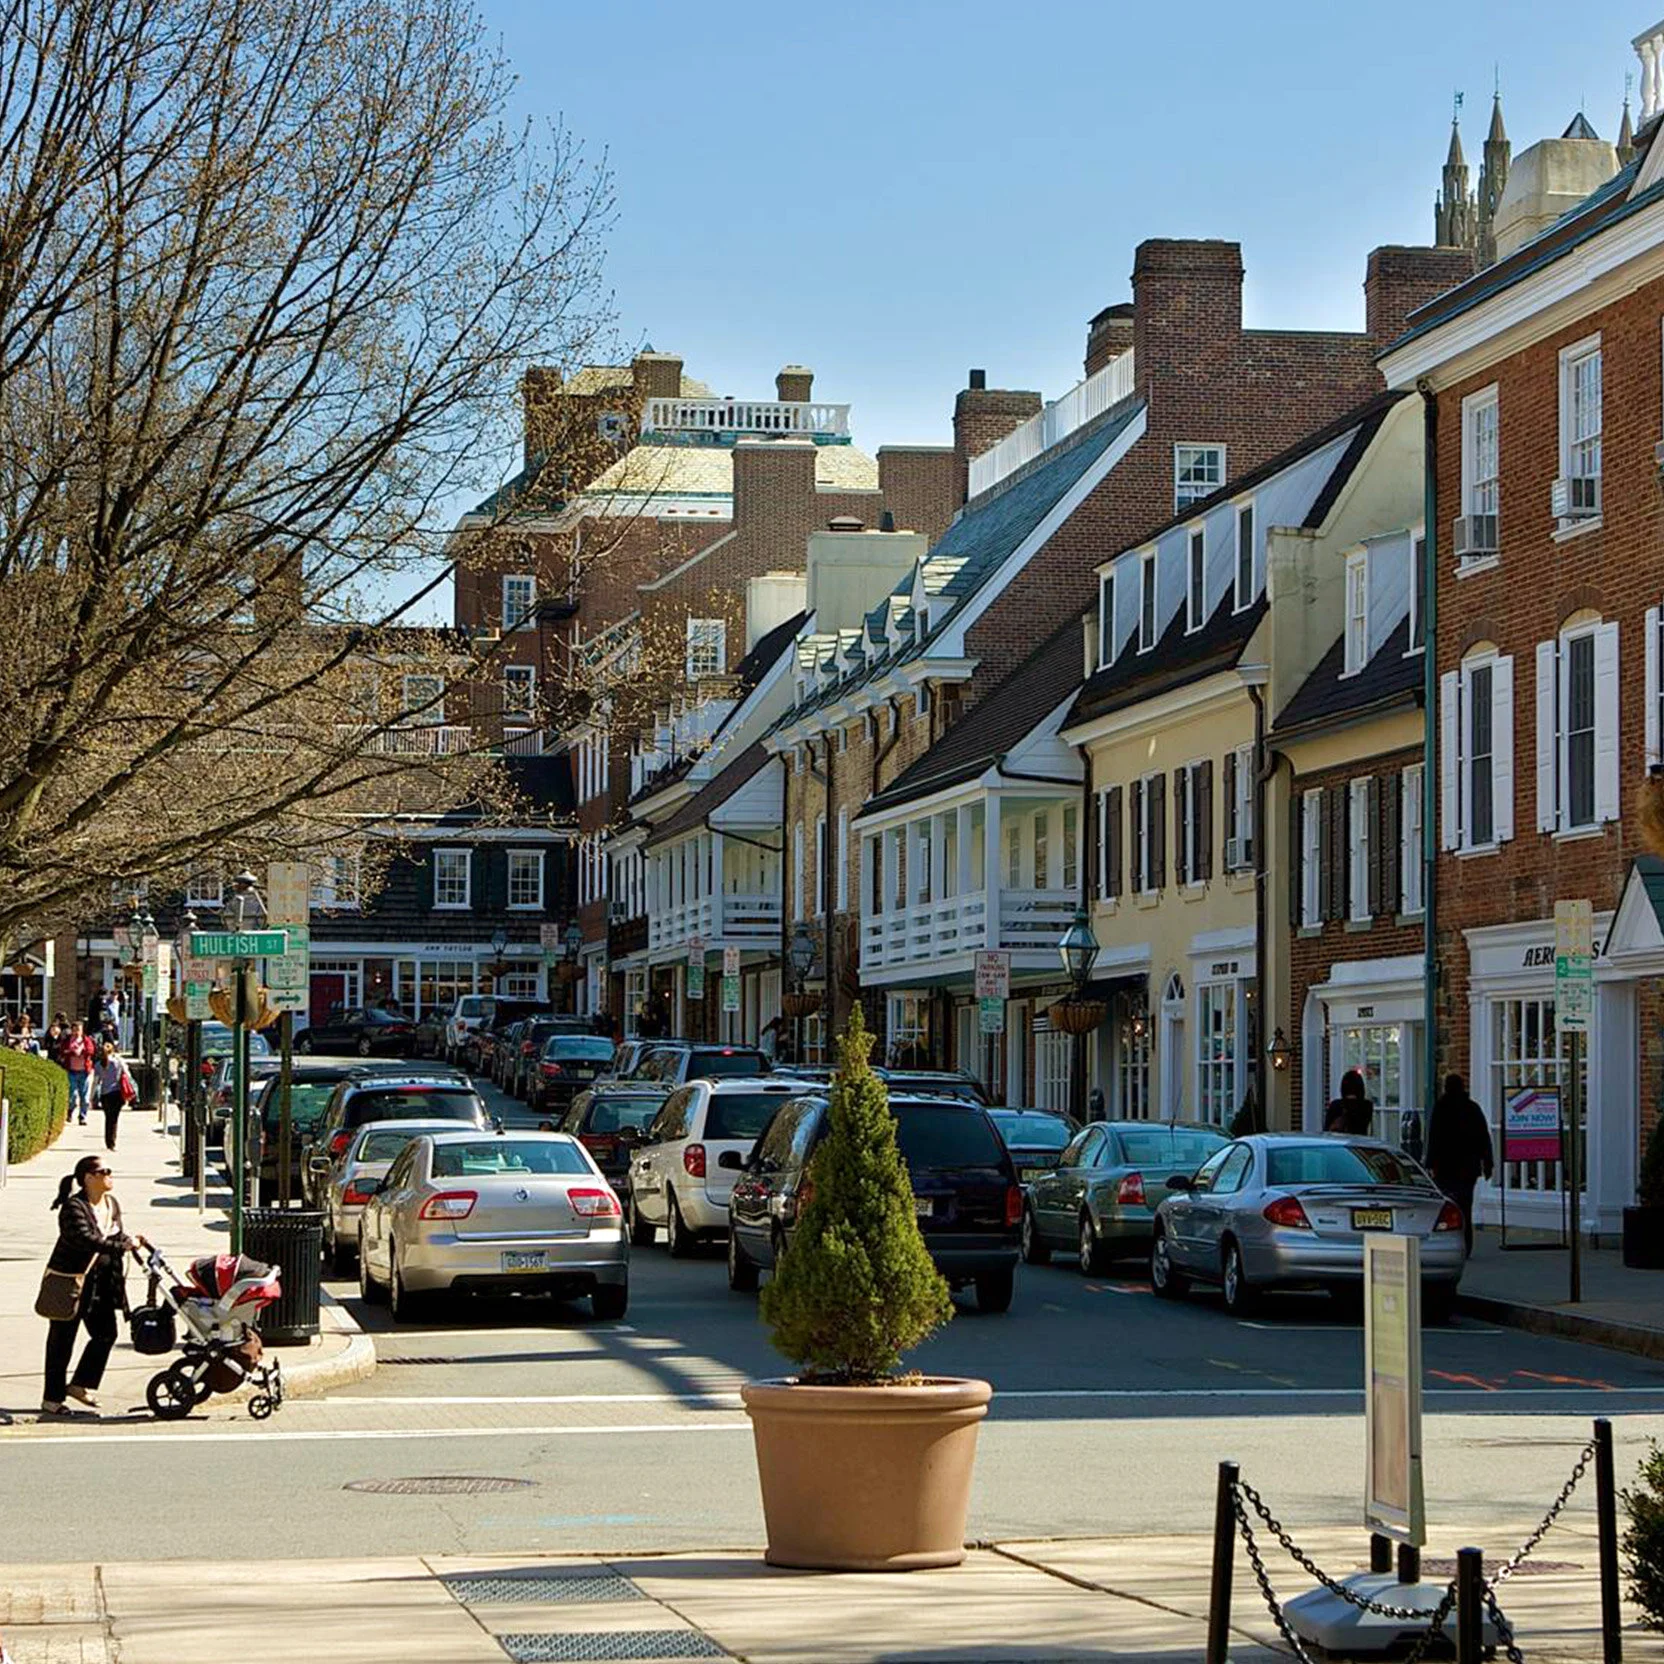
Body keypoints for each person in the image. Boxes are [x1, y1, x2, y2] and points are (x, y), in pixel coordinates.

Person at [41, 1154, 147, 1416]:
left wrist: (130, 1239)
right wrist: (120, 1245)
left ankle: (79, 1384)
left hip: (102, 1284)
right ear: (89, 1178)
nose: (110, 1175)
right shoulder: (73, 1208)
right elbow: (86, 1240)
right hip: (71, 1282)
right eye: (105, 1171)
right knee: (61, 1340)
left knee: (105, 1334)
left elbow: (114, 1232)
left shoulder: (111, 1204)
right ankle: (52, 1399)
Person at [1426, 1072, 1494, 1255]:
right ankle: (1466, 1243)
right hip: (1468, 1167)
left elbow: (1434, 1137)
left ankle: (1449, 1243)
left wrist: (1430, 1163)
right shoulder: (1472, 1108)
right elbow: (1483, 1138)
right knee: (1465, 1206)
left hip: (1446, 1166)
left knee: (1448, 1207)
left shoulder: (1441, 1108)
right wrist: (1488, 1163)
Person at [91, 1041, 135, 1152]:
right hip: (117, 1093)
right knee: (114, 1119)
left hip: (105, 1094)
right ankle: (112, 1142)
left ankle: (108, 1141)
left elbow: (96, 1082)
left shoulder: (98, 1065)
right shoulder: (118, 1062)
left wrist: (91, 1097)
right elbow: (127, 1074)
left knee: (108, 1118)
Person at [59, 1020, 98, 1126]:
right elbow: (62, 1051)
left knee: (84, 1097)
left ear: (82, 1031)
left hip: (84, 1071)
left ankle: (82, 1116)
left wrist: (82, 1051)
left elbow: (91, 1051)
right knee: (72, 1096)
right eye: (74, 1030)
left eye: (78, 1030)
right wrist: (71, 1052)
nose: (76, 1033)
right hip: (71, 1071)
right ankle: (70, 1112)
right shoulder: (67, 1040)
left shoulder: (87, 1040)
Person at [1324, 1069, 1374, 1136]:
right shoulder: (1367, 1106)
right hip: (1359, 1142)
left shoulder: (1336, 1105)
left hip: (1341, 1141)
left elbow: (1327, 1129)